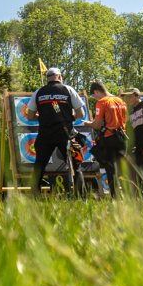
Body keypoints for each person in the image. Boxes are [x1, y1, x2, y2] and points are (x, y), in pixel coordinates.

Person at [28, 68, 85, 196]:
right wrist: (69, 118)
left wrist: (43, 118)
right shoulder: (68, 89)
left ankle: (33, 198)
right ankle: (81, 197)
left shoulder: (38, 92)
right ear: (60, 77)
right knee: (76, 166)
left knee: (39, 166)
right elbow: (81, 114)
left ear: (48, 78)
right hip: (66, 133)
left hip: (45, 133)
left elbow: (30, 116)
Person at [88, 82, 127, 198]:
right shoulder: (120, 101)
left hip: (109, 138)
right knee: (123, 168)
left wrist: (88, 123)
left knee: (110, 168)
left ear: (96, 92)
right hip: (122, 137)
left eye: (94, 96)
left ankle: (115, 196)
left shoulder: (102, 102)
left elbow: (97, 125)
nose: (95, 99)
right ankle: (129, 195)